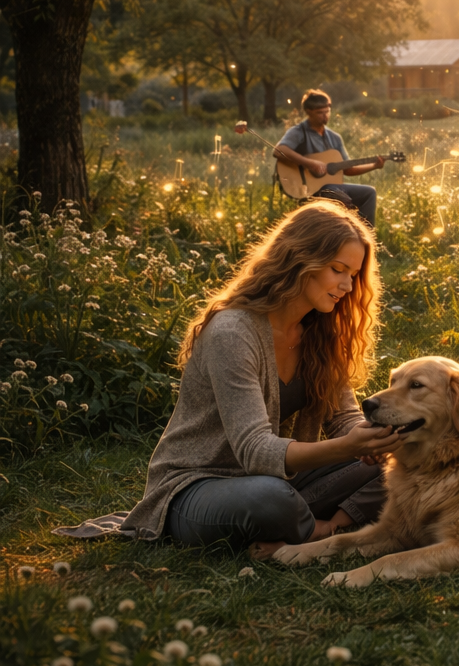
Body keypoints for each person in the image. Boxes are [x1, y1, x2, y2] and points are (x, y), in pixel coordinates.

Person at [117, 201, 402, 558]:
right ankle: (313, 526)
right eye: (337, 269)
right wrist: (348, 447)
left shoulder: (320, 332)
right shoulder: (233, 333)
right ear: (299, 259)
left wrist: (376, 440)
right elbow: (254, 450)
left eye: (354, 275)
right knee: (269, 498)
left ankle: (326, 526)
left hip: (282, 479)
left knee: (403, 462)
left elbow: (343, 417)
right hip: (198, 486)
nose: (347, 285)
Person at [274, 89, 386, 226]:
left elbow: (348, 169)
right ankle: (342, 231)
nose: (325, 116)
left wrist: (374, 165)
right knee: (338, 193)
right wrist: (309, 163)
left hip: (332, 187)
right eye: (320, 113)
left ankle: (365, 235)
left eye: (327, 112)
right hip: (306, 187)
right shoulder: (298, 132)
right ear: (308, 112)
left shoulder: (334, 137)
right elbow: (279, 150)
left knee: (369, 193)